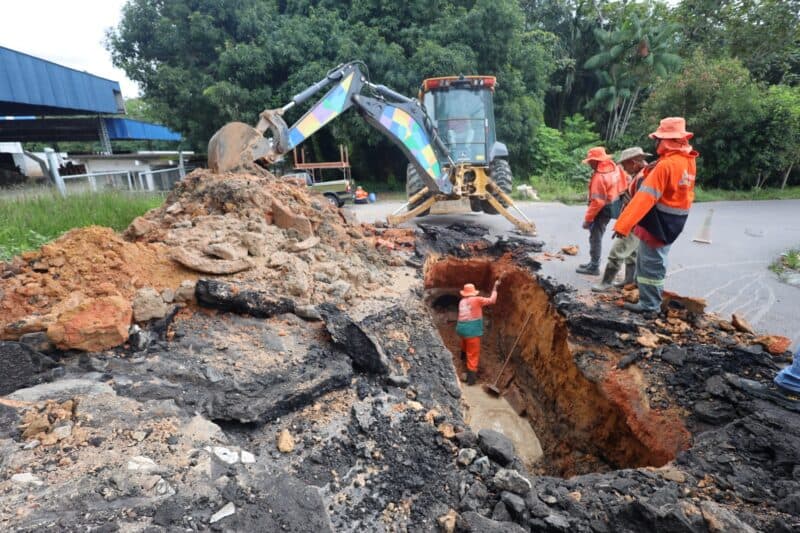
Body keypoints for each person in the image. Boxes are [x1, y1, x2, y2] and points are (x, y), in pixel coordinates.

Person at [613, 117, 698, 316]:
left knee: (651, 265)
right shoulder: (688, 161)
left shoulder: (666, 165)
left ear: (666, 140)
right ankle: (648, 300)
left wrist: (623, 225)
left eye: (658, 139)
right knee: (650, 261)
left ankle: (650, 305)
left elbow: (645, 198)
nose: (656, 143)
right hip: (673, 222)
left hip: (658, 223)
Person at [592, 147, 651, 292]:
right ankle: (629, 280)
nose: (624, 169)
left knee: (617, 251)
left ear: (633, 162)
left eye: (625, 165)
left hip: (635, 222)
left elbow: (638, 205)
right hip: (638, 222)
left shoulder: (643, 178)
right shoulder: (641, 175)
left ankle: (606, 282)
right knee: (632, 253)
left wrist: (624, 226)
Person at [577, 147, 628, 275]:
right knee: (597, 235)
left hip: (602, 209)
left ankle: (594, 266)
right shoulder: (615, 168)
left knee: (595, 237)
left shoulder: (599, 177)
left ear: (596, 161)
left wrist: (587, 220)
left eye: (590, 161)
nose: (589, 164)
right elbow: (625, 182)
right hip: (611, 205)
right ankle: (593, 262)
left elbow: (597, 202)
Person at [456, 279, 500, 385]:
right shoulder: (477, 300)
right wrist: (495, 287)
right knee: (473, 354)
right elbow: (492, 300)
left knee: (465, 343)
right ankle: (471, 380)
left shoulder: (461, 302)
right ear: (473, 292)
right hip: (472, 332)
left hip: (461, 329)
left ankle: (462, 358)